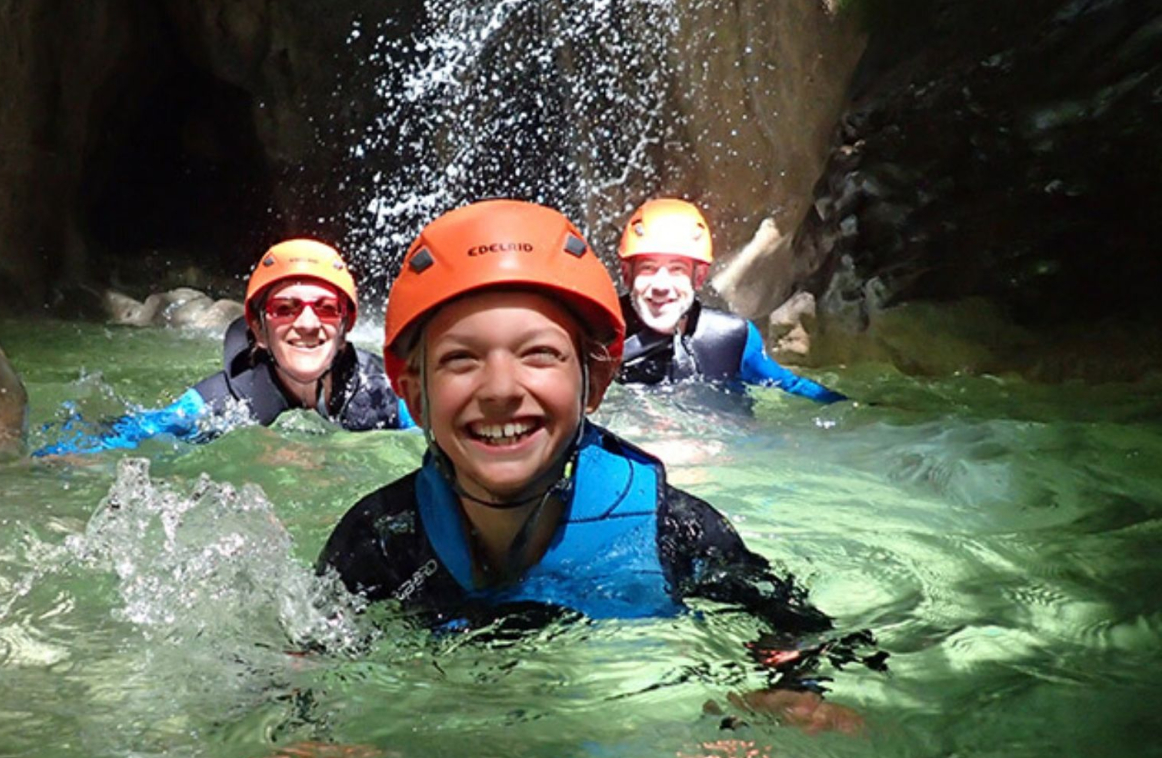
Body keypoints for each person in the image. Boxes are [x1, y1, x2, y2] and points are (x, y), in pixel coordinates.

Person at [317, 200, 879, 714]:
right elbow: (305, 672)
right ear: (415, 394)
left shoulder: (672, 532)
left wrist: (790, 695)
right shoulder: (380, 541)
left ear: (595, 382)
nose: (500, 389)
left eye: (540, 354)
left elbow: (805, 638)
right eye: (460, 360)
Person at [35, 239, 412, 455]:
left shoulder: (389, 394)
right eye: (286, 308)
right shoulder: (220, 405)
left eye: (327, 309)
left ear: (345, 327)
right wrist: (56, 458)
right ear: (259, 330)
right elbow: (137, 434)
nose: (309, 323)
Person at [615, 198, 847, 403]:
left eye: (677, 270)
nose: (661, 286)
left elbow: (789, 385)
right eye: (648, 269)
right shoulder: (599, 334)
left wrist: (858, 411)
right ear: (627, 275)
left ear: (699, 277)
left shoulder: (729, 339)